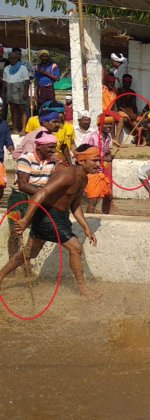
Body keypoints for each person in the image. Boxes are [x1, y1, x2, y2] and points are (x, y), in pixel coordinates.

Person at [0, 142, 102, 300]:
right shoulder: (67, 174)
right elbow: (41, 193)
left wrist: (86, 227)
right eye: (95, 160)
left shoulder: (84, 180)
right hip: (47, 215)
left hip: (59, 216)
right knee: (75, 247)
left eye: (99, 160)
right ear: (82, 161)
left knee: (30, 253)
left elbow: (75, 205)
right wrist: (26, 219)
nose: (98, 164)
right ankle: (83, 289)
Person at [6, 130, 57, 261]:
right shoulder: (26, 158)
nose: (53, 150)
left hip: (39, 198)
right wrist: (44, 193)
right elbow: (23, 185)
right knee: (15, 232)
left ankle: (24, 263)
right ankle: (12, 265)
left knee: (35, 233)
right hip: (19, 198)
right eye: (50, 147)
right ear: (39, 146)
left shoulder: (53, 162)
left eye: (54, 147)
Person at [84, 115, 117, 214]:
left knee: (108, 196)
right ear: (99, 125)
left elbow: (104, 152)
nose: (109, 126)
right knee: (93, 200)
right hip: (93, 172)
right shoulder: (92, 136)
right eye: (106, 124)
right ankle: (88, 222)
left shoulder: (108, 136)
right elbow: (87, 154)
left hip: (102, 171)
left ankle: (105, 219)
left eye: (110, 124)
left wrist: (109, 155)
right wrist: (104, 157)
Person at [3, 51, 30, 135]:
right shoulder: (7, 68)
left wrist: (25, 92)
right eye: (11, 58)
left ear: (17, 58)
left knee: (22, 110)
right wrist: (3, 92)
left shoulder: (23, 68)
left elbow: (27, 80)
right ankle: (14, 128)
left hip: (20, 89)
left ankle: (23, 129)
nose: (12, 60)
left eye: (14, 58)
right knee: (13, 110)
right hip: (10, 89)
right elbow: (4, 81)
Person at [0, 100, 14, 200]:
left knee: (1, 185)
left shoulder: (4, 124)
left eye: (1, 106)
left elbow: (8, 141)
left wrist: (12, 150)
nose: (0, 109)